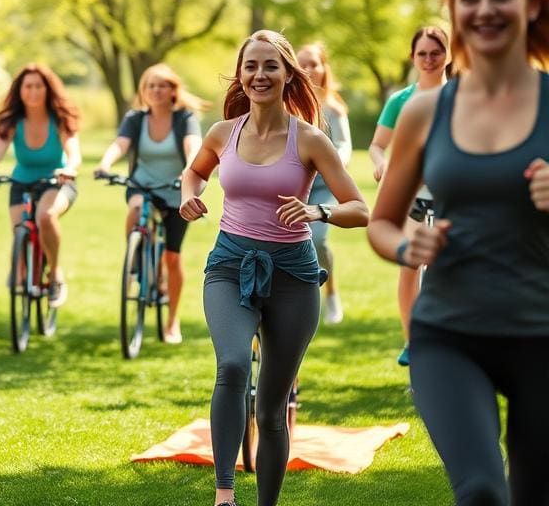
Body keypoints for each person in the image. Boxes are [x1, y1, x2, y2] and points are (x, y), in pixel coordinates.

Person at [368, 0, 549, 506]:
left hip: (541, 333)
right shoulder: (425, 111)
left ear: (531, 4)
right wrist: (408, 247)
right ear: (454, 10)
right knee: (481, 491)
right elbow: (382, 223)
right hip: (449, 334)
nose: (485, 9)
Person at [180, 30, 368, 506]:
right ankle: (225, 496)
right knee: (232, 365)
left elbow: (360, 208)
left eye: (270, 66)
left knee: (271, 409)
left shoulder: (310, 139)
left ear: (287, 75)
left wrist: (318, 211)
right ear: (240, 75)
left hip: (293, 276)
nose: (259, 75)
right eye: (251, 66)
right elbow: (195, 172)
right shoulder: (223, 132)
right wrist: (188, 195)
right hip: (230, 265)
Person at [95, 63, 205, 343]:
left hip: (176, 191)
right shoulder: (135, 119)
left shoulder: (184, 118)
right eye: (151, 86)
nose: (156, 90)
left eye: (162, 86)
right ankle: (137, 262)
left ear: (173, 91)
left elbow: (193, 146)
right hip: (142, 185)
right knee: (136, 209)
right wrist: (105, 164)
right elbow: (120, 144)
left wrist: (189, 169)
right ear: (143, 91)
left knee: (172, 257)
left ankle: (172, 320)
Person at [368, 25, 450, 366]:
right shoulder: (401, 101)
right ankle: (411, 340)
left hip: (449, 198)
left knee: (449, 271)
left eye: (436, 52)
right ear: (413, 57)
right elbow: (377, 145)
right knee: (409, 266)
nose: (429, 60)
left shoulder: (461, 96)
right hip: (412, 199)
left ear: (448, 54)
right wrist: (382, 165)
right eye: (422, 54)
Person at [0, 64, 81, 308]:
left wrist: (70, 168)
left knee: (45, 216)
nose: (33, 91)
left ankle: (55, 274)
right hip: (21, 183)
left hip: (56, 182)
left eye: (38, 86)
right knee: (20, 233)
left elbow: (74, 152)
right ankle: (21, 268)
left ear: (47, 89)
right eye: (28, 86)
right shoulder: (12, 121)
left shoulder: (60, 119)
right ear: (20, 90)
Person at [296, 43, 352, 324]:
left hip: (323, 187)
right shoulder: (288, 106)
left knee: (317, 239)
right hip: (294, 185)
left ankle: (330, 290)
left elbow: (344, 146)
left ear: (324, 68)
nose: (308, 69)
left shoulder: (334, 110)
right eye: (302, 64)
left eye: (314, 64)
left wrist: (329, 164)